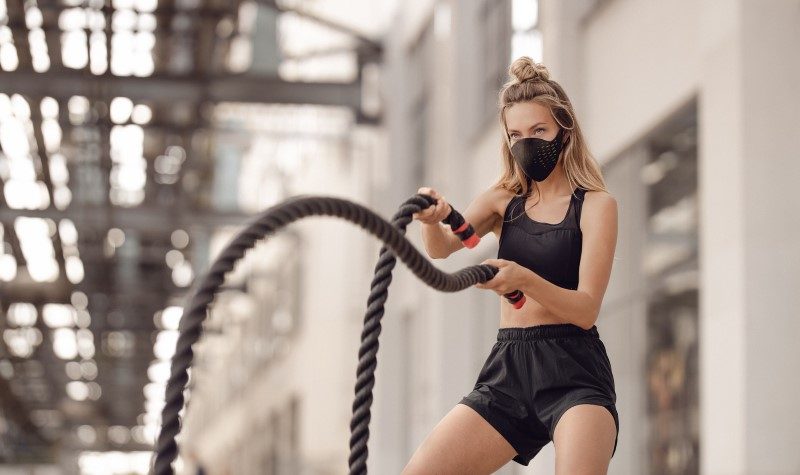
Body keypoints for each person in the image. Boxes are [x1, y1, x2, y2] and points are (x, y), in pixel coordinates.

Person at [404, 56, 619, 474]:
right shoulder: (503, 201)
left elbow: (586, 309)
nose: (528, 143)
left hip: (574, 371)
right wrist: (432, 220)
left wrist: (524, 279)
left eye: (539, 131)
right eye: (516, 134)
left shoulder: (596, 206)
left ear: (565, 130)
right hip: (509, 369)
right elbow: (443, 249)